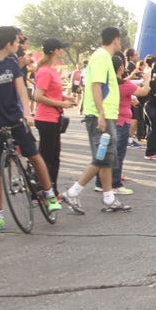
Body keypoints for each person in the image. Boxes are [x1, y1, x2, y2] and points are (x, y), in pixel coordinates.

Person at [0, 26, 63, 231]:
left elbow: (21, 91)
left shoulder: (12, 63)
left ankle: (49, 194)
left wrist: (27, 114)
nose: (19, 45)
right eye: (17, 42)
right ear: (9, 43)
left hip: (15, 120)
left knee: (35, 156)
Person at [60, 26, 131, 213]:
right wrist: (101, 114)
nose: (120, 42)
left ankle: (109, 198)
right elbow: (97, 86)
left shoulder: (103, 57)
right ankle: (73, 192)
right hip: (102, 115)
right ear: (115, 39)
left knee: (106, 158)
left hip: (106, 114)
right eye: (120, 39)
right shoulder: (101, 57)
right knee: (101, 158)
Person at [98, 54, 149, 193]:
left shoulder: (106, 82)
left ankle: (100, 182)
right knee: (117, 154)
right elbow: (144, 91)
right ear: (120, 67)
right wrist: (147, 79)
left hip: (108, 119)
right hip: (120, 121)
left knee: (105, 152)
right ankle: (115, 184)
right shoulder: (123, 84)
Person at [33, 38, 75, 193]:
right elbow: (38, 96)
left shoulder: (51, 70)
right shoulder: (45, 71)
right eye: (60, 48)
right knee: (48, 157)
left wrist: (64, 97)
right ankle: (45, 188)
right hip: (46, 118)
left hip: (53, 117)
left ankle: (50, 187)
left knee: (53, 156)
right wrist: (61, 104)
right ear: (54, 51)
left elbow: (51, 93)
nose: (62, 51)